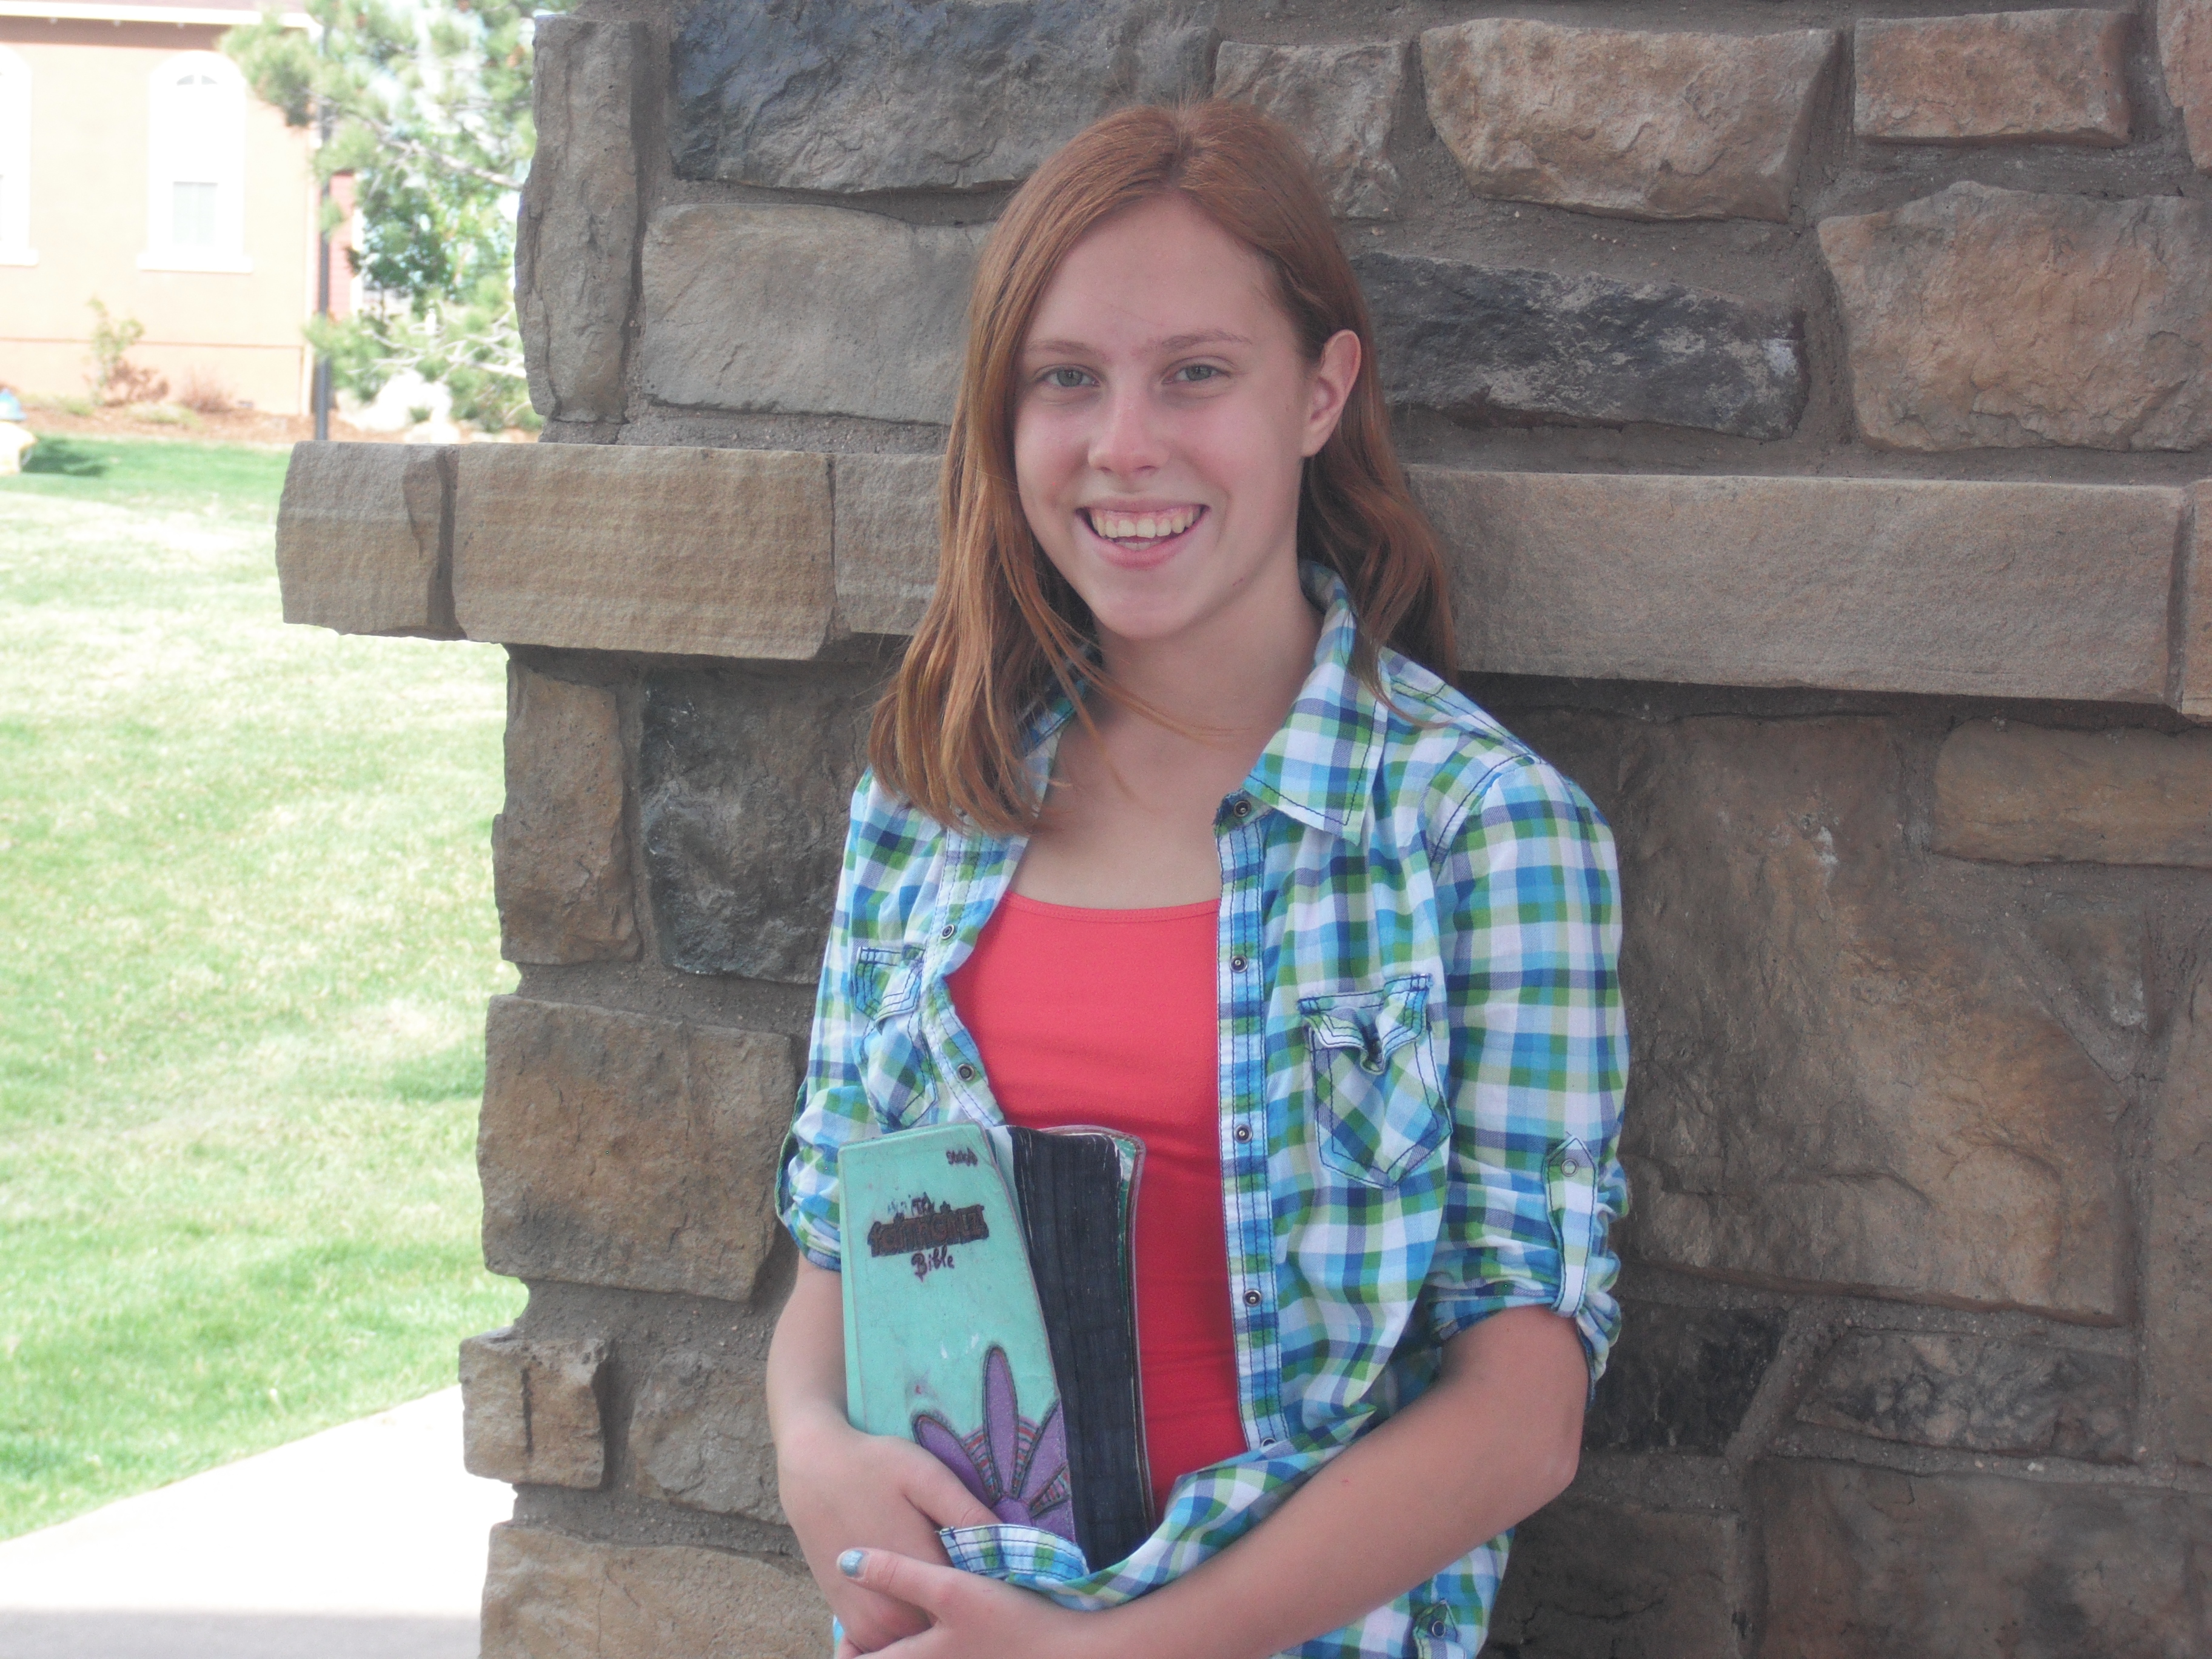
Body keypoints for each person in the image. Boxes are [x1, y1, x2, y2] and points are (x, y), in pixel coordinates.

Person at [766, 100, 1627, 1659]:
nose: (1124, 445)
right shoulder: (924, 805)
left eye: (1197, 374)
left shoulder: (1484, 831)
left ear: (1322, 392)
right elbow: (839, 1258)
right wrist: (812, 1451)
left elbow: (1522, 1419)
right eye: (1066, 379)